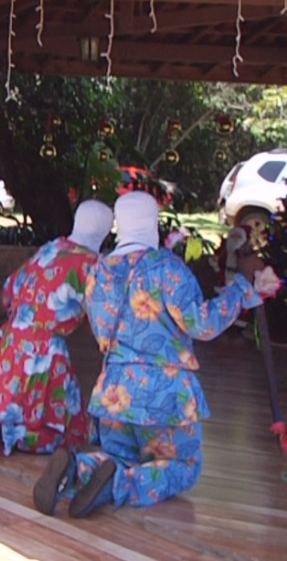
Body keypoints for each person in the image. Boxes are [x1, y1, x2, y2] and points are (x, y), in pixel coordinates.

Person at [33, 192, 276, 519]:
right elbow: (202, 324)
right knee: (184, 466)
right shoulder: (168, 269)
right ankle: (118, 486)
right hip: (164, 396)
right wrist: (243, 291)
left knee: (120, 457)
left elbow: (102, 333)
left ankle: (77, 468)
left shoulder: (100, 271)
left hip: (114, 392)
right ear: (152, 223)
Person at [0, 200, 113, 470]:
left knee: (1, 391)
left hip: (11, 336)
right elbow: (102, 316)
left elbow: (11, 287)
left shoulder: (52, 247)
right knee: (65, 429)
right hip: (45, 351)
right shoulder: (92, 265)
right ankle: (9, 434)